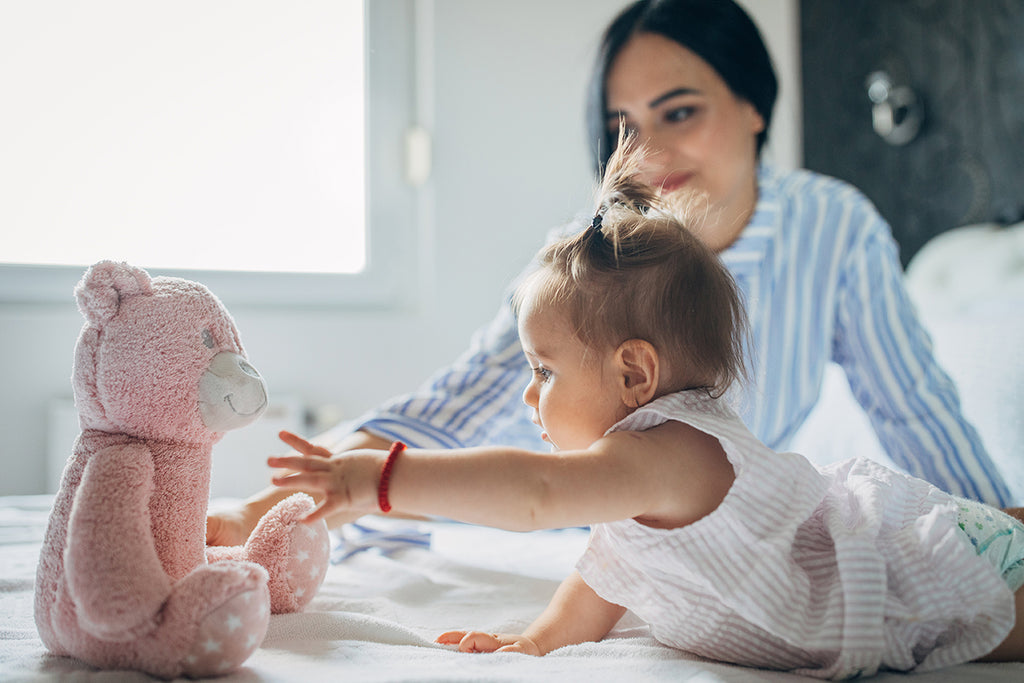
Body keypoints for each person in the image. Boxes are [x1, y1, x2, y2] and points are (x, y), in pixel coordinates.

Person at [206, 0, 1013, 547]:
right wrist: (273, 506)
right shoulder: (585, 258)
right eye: (624, 125)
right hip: (554, 521)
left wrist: (1004, 537)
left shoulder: (834, 227)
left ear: (755, 105)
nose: (651, 153)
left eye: (681, 111)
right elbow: (448, 408)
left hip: (715, 535)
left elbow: (918, 413)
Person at [267, 137, 1024, 677]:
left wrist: (379, 480)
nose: (529, 394)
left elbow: (535, 493)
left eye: (544, 370)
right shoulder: (638, 477)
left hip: (913, 571)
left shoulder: (670, 451)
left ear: (635, 371)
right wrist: (537, 642)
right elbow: (606, 571)